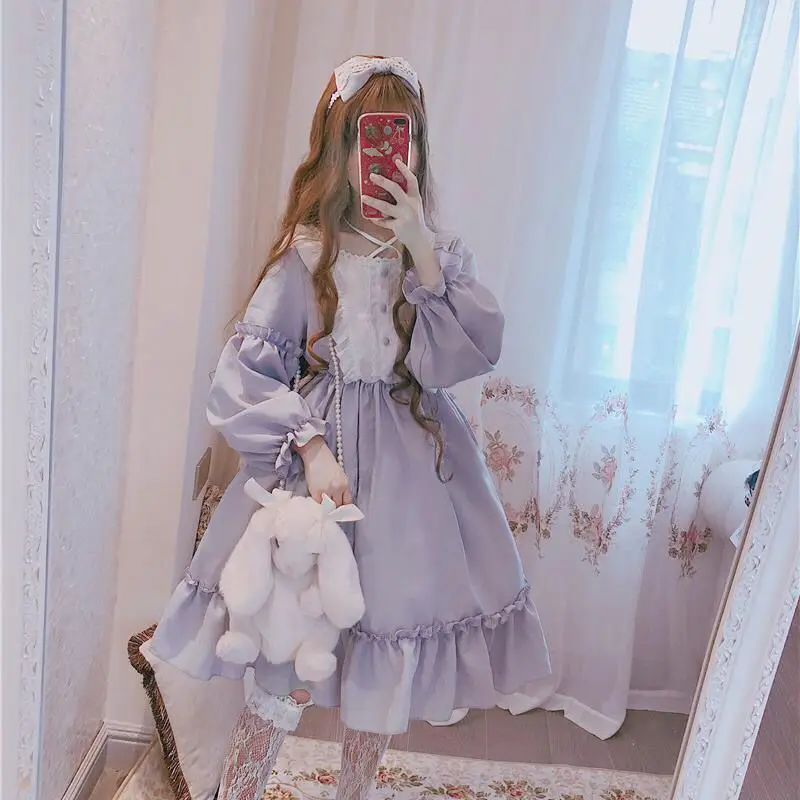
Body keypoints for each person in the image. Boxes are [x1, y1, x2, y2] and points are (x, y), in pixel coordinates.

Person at [150, 55, 551, 800]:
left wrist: (422, 250)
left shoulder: (436, 263)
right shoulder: (308, 256)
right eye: (371, 137)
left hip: (410, 487)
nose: (391, 156)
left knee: (384, 654)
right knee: (283, 654)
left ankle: (354, 791)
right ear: (341, 147)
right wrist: (307, 445)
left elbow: (460, 356)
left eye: (405, 137)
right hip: (316, 475)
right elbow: (242, 374)